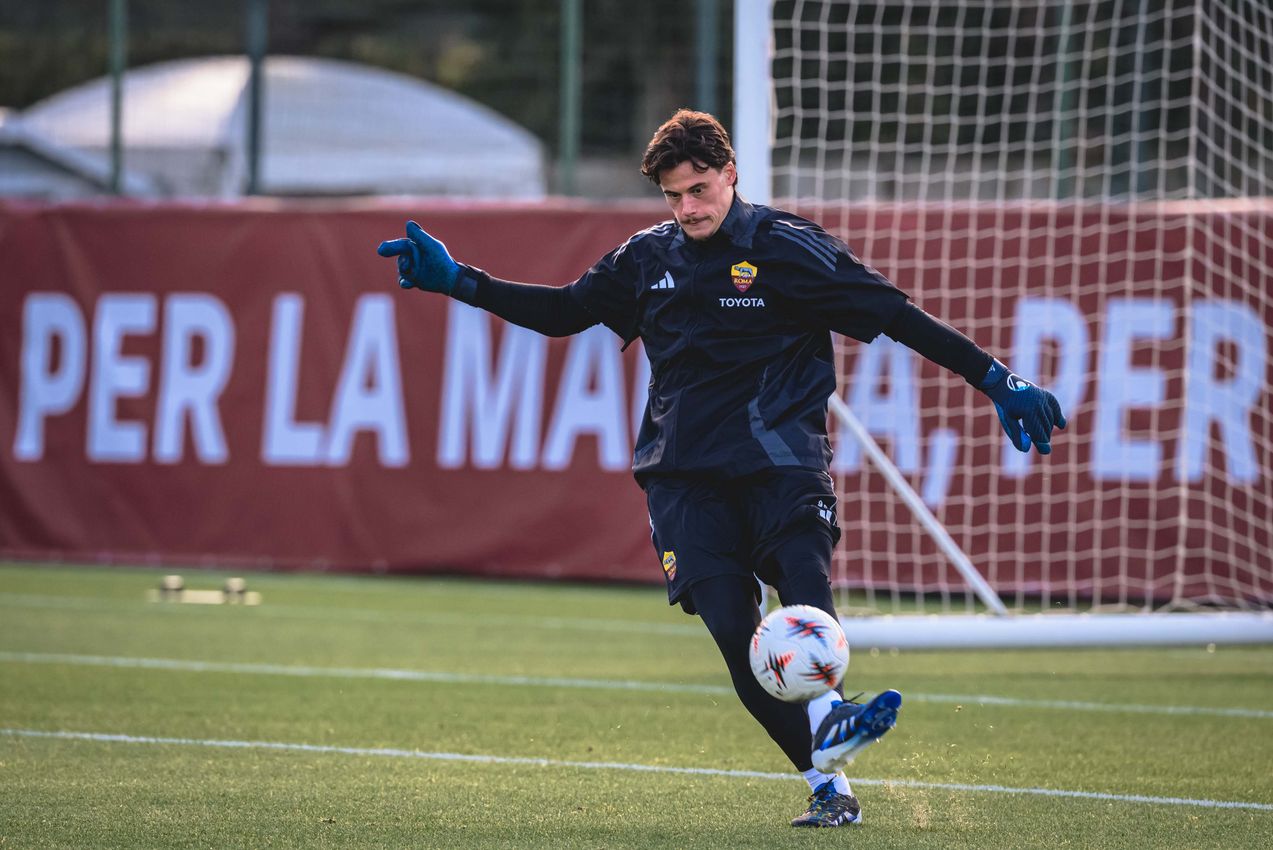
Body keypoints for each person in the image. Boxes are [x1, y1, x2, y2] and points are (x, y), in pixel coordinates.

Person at [377, 109, 1065, 828]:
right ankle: (827, 783)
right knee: (737, 632)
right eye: (674, 197)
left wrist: (994, 378)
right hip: (681, 476)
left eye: (700, 190)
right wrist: (459, 280)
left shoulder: (788, 247)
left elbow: (896, 316)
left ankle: (832, 715)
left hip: (780, 461)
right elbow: (565, 314)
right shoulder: (646, 258)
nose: (688, 208)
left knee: (802, 580)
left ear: (730, 174)